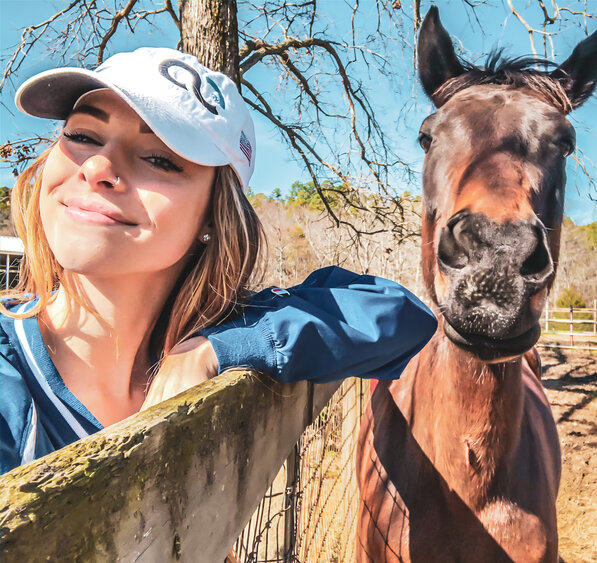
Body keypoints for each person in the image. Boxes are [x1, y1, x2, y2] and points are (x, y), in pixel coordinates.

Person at [0, 47, 437, 475]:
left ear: (213, 215)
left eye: (159, 159)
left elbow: (400, 313)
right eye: (81, 136)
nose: (97, 166)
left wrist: (220, 348)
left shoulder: (221, 329)